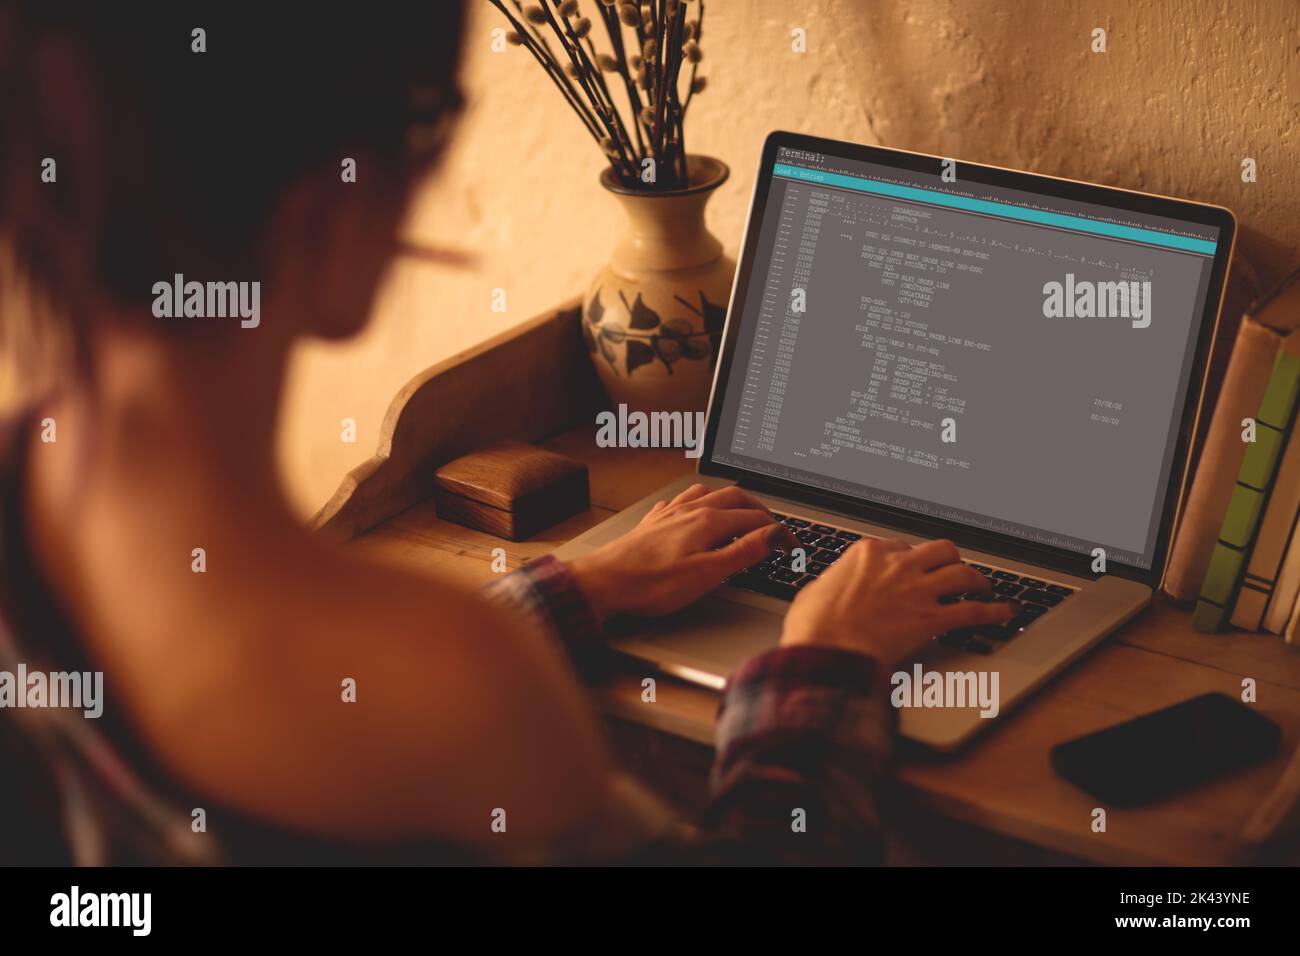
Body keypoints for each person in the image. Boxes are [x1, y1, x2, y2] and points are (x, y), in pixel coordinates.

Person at [0, 2, 1016, 865]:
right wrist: (824, 659)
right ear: (325, 220)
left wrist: (578, 590)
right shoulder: (465, 682)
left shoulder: (29, 489)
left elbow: (367, 704)